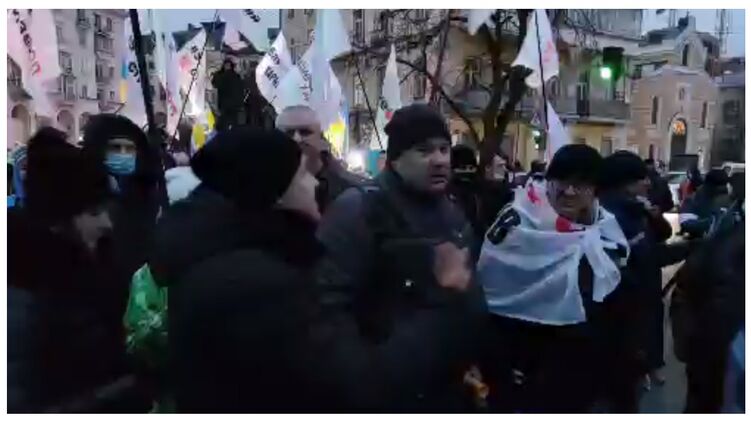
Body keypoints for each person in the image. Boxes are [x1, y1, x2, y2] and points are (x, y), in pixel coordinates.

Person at [150, 126, 486, 412]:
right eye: (302, 175)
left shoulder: (229, 258)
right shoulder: (259, 287)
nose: (314, 183)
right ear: (271, 190)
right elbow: (358, 387)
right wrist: (444, 302)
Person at [316, 104, 487, 411]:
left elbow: (469, 295)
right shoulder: (358, 210)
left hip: (447, 390)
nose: (439, 160)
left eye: (444, 149)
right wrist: (367, 381)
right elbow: (328, 307)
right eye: (423, 151)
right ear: (395, 158)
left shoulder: (453, 213)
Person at [477, 144, 631, 413]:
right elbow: (491, 293)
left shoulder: (604, 228)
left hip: (584, 377)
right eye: (561, 181)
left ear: (595, 190)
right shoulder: (518, 225)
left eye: (580, 185)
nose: (568, 191)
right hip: (523, 377)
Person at [8, 128, 147, 412]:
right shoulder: (23, 301)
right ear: (59, 221)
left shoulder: (98, 268)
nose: (107, 223)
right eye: (94, 212)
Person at [599, 152, 691, 397]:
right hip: (626, 311)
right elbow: (647, 257)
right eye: (642, 178)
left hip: (645, 300)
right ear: (625, 183)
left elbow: (660, 236)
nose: (649, 183)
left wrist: (654, 216)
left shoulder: (636, 208)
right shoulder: (611, 216)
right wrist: (692, 248)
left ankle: (649, 366)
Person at [81, 114, 163, 322]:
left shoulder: (149, 194)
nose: (123, 155)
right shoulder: (83, 195)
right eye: (115, 148)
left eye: (129, 149)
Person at [276, 105, 364, 211]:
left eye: (305, 132)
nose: (297, 139)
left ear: (320, 137)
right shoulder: (264, 187)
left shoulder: (350, 190)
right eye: (289, 133)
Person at [679, 168, 732, 238]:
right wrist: (713, 221)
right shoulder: (694, 199)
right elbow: (686, 223)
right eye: (718, 187)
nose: (722, 190)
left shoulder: (731, 201)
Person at [211, 58, 245, 132]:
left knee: (223, 121)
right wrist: (240, 103)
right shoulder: (236, 76)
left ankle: (222, 133)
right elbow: (240, 90)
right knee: (232, 122)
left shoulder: (220, 75)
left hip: (224, 103)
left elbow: (215, 84)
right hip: (233, 104)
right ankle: (232, 133)